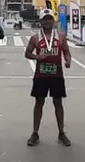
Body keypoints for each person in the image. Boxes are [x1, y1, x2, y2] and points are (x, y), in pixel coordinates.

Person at [25, 9, 72, 147]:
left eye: (49, 19)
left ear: (53, 20)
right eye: (44, 19)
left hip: (56, 75)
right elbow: (27, 53)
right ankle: (35, 133)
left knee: (58, 102)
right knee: (39, 102)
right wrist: (37, 57)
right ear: (40, 21)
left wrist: (68, 61)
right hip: (41, 75)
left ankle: (61, 133)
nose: (47, 21)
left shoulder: (61, 36)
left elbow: (67, 52)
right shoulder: (35, 38)